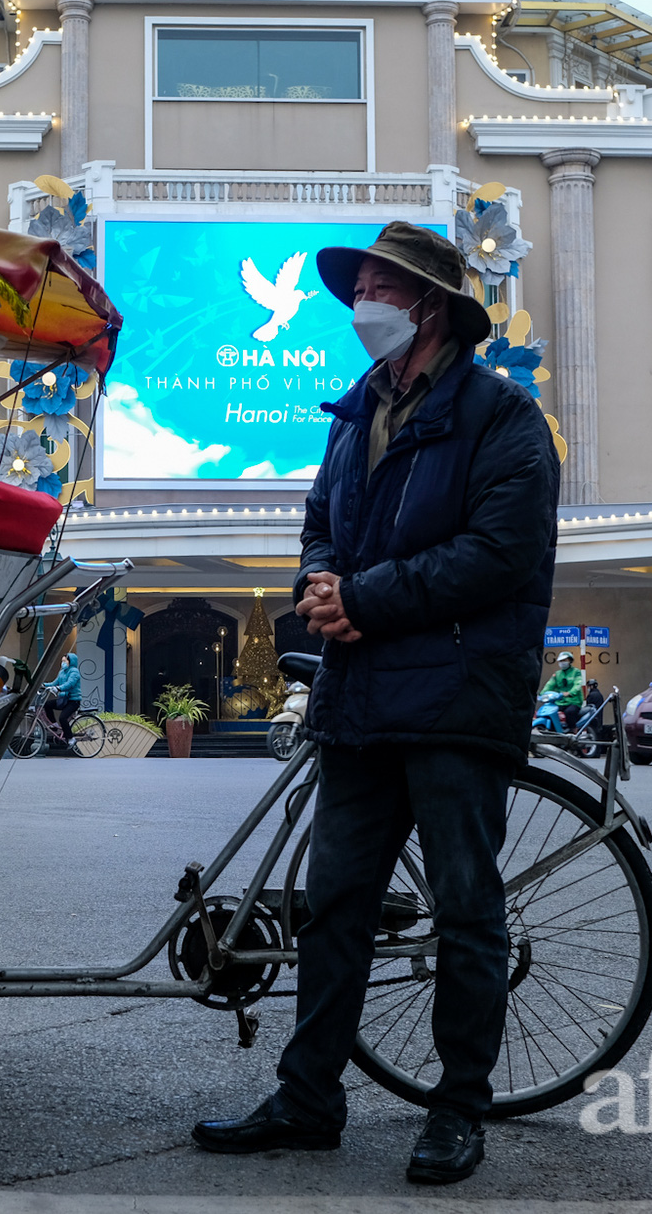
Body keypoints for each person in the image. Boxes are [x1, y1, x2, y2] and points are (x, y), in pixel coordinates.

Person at [192, 221, 559, 1185]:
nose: (362, 305)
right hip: (359, 698)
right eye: (359, 287)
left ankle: (457, 1108)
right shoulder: (356, 413)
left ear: (428, 307)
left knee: (466, 910)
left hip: (455, 695)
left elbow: (498, 556)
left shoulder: (505, 418)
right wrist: (321, 582)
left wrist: (365, 597)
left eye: (379, 288)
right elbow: (322, 520)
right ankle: (310, 1096)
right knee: (334, 904)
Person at [540, 652, 585, 731]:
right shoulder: (557, 674)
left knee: (569, 712)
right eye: (560, 661)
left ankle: (573, 731)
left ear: (570, 661)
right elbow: (549, 685)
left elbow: (577, 685)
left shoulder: (576, 672)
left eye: (564, 660)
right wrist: (541, 694)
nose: (562, 663)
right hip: (560, 701)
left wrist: (570, 693)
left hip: (573, 701)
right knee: (551, 711)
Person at [47, 653, 82, 745]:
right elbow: (54, 682)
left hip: (73, 701)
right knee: (47, 705)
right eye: (62, 661)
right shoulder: (62, 672)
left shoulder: (74, 672)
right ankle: (54, 725)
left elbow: (70, 684)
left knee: (63, 718)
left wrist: (59, 688)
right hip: (63, 699)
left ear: (70, 662)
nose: (62, 663)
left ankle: (71, 738)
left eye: (64, 661)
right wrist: (43, 685)